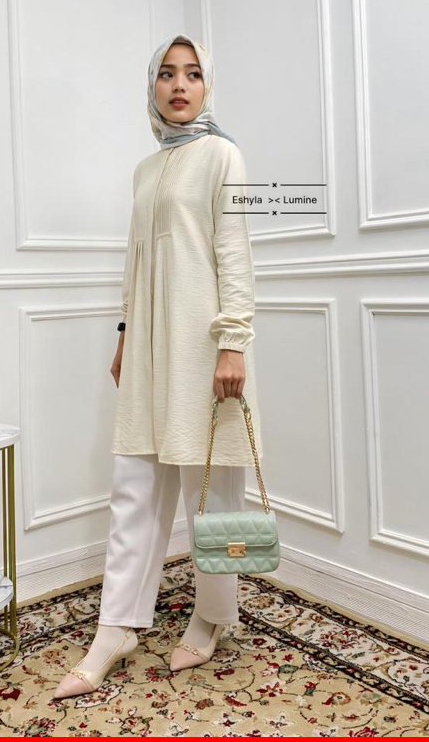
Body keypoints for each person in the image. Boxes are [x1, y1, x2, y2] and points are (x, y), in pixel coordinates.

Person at [54, 34, 264, 699]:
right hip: (147, 345)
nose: (180, 85)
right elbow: (135, 261)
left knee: (215, 490)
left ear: (207, 85)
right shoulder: (145, 170)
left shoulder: (223, 155)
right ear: (152, 86)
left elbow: (234, 251)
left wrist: (233, 341)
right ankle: (115, 626)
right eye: (167, 74)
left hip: (204, 343)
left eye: (193, 73)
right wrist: (124, 333)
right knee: (135, 485)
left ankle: (213, 616)